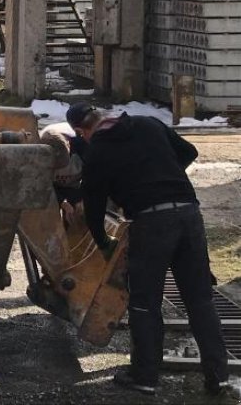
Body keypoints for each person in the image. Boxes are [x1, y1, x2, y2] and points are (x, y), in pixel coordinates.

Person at [68, 102, 230, 396]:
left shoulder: (98, 151)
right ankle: (218, 376)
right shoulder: (148, 123)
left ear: (82, 131)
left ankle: (145, 377)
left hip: (151, 222)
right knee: (200, 300)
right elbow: (189, 151)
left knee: (145, 302)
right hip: (189, 214)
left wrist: (103, 242)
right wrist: (163, 176)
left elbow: (93, 207)